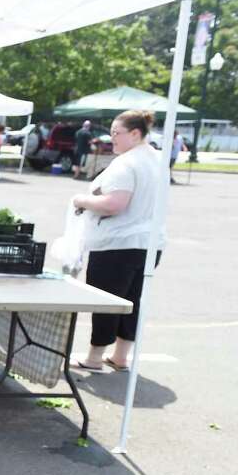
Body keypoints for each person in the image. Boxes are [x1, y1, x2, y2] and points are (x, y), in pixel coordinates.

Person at [72, 110, 167, 372]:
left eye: (117, 133)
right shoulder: (157, 159)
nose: (111, 138)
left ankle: (94, 357)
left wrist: (82, 200)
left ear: (135, 134)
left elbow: (115, 203)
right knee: (133, 301)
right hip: (150, 243)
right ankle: (121, 356)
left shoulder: (127, 163)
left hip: (118, 243)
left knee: (106, 302)